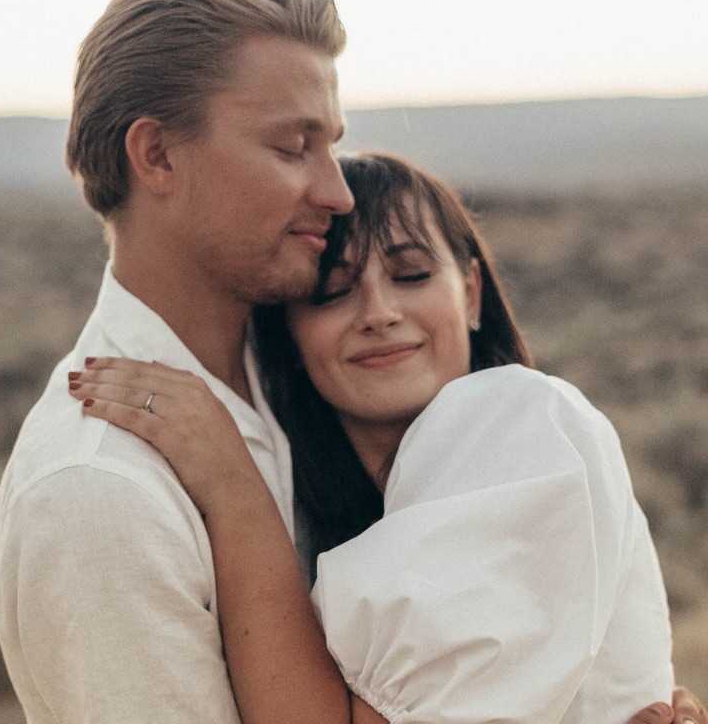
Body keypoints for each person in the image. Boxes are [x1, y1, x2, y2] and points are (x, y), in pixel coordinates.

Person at [0, 0, 703, 724]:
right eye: (294, 147)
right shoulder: (99, 493)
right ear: (156, 155)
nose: (337, 191)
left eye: (331, 146)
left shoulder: (304, 394)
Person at [67, 153, 705, 723]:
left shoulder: (528, 426)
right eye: (334, 292)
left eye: (411, 274)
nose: (378, 312)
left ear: (472, 294)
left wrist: (232, 486)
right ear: (288, 333)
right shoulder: (333, 500)